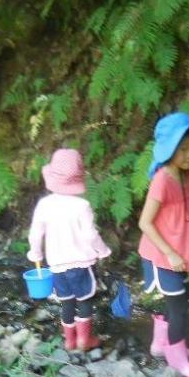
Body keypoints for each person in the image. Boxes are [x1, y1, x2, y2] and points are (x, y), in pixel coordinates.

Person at [138, 112, 189, 377]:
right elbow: (145, 222)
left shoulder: (185, 176)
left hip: (179, 253)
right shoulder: (162, 180)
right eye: (183, 149)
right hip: (163, 255)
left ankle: (162, 344)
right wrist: (170, 253)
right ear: (168, 148)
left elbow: (188, 209)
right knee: (180, 307)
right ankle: (179, 362)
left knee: (177, 302)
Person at [27, 148, 111, 352]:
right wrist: (103, 251)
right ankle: (84, 340)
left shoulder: (44, 205)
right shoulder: (82, 205)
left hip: (57, 266)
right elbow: (91, 235)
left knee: (66, 302)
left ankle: (69, 341)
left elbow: (35, 234)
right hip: (81, 264)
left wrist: (35, 254)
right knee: (84, 300)